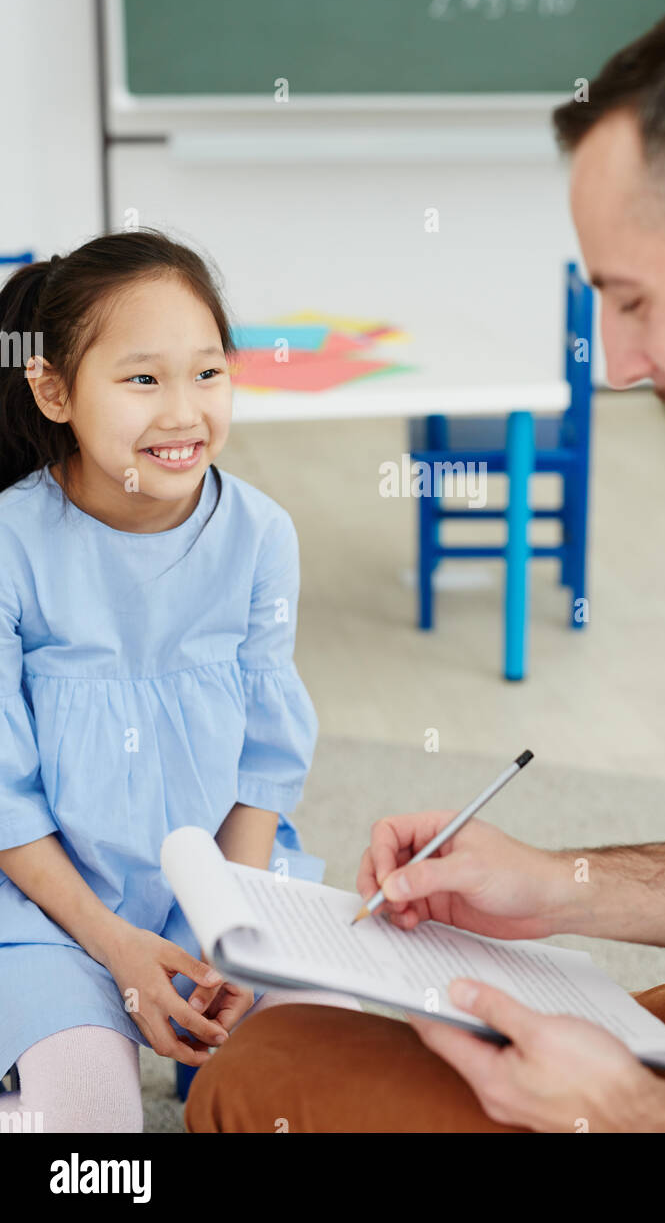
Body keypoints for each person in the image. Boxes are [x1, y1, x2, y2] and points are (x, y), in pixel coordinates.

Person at [185, 0, 665, 1133]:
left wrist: (631, 1115)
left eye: (633, 298)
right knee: (288, 1044)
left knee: (260, 1094)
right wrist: (559, 883)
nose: (614, 364)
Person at [0, 230, 356, 1133]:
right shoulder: (10, 546)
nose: (184, 412)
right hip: (57, 904)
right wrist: (117, 950)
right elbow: (6, 801)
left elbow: (264, 767)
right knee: (86, 1133)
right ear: (53, 390)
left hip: (229, 887)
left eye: (208, 374)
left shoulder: (262, 538)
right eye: (143, 379)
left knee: (334, 1093)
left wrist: (229, 934)